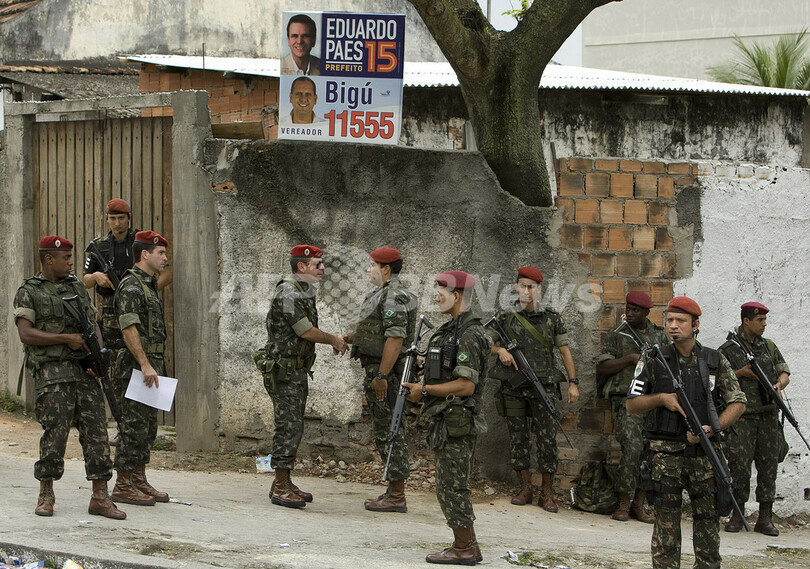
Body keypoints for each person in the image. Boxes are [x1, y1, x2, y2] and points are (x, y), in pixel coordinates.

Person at [626, 296, 746, 569]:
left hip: (705, 455)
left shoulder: (714, 360)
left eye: (680, 321)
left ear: (696, 325)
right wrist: (662, 399)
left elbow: (738, 402)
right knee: (666, 528)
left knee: (708, 528)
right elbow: (632, 404)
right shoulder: (654, 358)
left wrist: (713, 428)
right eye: (669, 320)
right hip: (664, 457)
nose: (673, 326)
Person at [13, 235, 125, 520]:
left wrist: (97, 355)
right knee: (55, 435)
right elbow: (26, 333)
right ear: (49, 259)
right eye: (65, 258)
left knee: (97, 434)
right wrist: (65, 339)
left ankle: (100, 496)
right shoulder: (30, 291)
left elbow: (91, 322)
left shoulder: (75, 286)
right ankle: (46, 495)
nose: (71, 262)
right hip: (53, 374)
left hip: (83, 371)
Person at [403, 271, 491, 565]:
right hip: (447, 418)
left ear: (456, 296)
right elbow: (447, 370)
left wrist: (424, 389)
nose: (436, 296)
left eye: (441, 291)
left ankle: (464, 547)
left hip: (459, 421)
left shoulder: (470, 334)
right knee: (448, 484)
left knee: (452, 486)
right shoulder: (451, 330)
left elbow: (467, 385)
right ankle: (468, 545)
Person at [487, 266, 579, 512]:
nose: (526, 291)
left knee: (547, 440)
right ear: (516, 287)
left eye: (531, 287)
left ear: (539, 289)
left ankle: (546, 493)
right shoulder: (506, 317)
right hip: (514, 387)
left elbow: (565, 350)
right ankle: (525, 488)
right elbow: (484, 341)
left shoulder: (551, 318)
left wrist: (573, 382)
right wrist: (501, 351)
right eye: (522, 286)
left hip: (544, 387)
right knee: (518, 438)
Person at [263, 244, 348, 508]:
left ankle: (285, 481)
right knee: (287, 426)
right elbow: (305, 331)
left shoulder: (304, 291)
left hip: (296, 369)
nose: (323, 269)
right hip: (285, 370)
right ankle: (279, 484)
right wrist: (333, 339)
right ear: (302, 267)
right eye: (318, 265)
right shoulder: (288, 292)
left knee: (294, 425)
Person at [343, 247, 417, 513]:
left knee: (390, 430)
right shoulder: (384, 294)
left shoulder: (393, 296)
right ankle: (393, 491)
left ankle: (397, 495)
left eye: (372, 265)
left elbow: (395, 339)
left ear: (386, 269)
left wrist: (382, 376)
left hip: (386, 373)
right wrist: (353, 337)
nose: (368, 269)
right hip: (381, 370)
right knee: (387, 429)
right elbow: (379, 331)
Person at [83, 199, 171, 394]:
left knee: (141, 360)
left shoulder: (140, 243)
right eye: (112, 218)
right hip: (110, 316)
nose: (117, 223)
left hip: (139, 312)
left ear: (128, 219)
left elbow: (166, 274)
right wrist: (96, 277)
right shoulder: (99, 246)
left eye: (121, 218)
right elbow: (85, 280)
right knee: (116, 369)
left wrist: (146, 290)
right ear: (107, 220)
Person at [719, 302, 790, 536]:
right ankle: (737, 515)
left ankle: (765, 518)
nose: (764, 325)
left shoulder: (768, 346)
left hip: (768, 417)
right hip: (743, 418)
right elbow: (715, 379)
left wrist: (778, 385)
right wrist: (740, 373)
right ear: (746, 321)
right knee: (739, 467)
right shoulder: (729, 349)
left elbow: (784, 371)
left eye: (765, 321)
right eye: (760, 321)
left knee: (768, 466)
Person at [110, 231, 170, 507]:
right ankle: (123, 483)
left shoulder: (148, 284)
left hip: (152, 363)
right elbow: (128, 326)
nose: (165, 258)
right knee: (132, 426)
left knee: (147, 427)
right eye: (161, 253)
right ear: (145, 254)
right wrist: (145, 364)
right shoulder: (132, 286)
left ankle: (138, 477)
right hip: (136, 366)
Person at [597, 291, 667, 523]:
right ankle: (624, 502)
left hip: (654, 400)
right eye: (628, 308)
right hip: (627, 401)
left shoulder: (659, 336)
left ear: (647, 312)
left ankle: (639, 503)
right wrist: (628, 359)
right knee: (633, 448)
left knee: (650, 452)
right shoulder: (619, 336)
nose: (630, 313)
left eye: (636, 310)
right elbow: (603, 367)